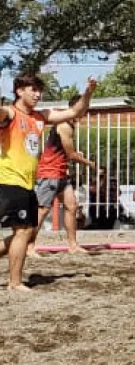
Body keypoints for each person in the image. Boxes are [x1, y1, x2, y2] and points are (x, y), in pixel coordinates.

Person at [0, 73, 96, 290]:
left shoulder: (39, 117)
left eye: (39, 90)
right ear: (19, 91)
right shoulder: (10, 114)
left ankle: (15, 279)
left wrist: (88, 92)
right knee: (23, 232)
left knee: (26, 233)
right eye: (33, 89)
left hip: (27, 184)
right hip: (9, 181)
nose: (38, 94)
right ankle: (14, 283)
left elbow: (75, 111)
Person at [29, 94, 95, 256]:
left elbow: (66, 153)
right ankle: (29, 246)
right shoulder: (64, 125)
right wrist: (89, 163)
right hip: (50, 172)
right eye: (83, 107)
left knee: (71, 206)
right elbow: (71, 154)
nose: (85, 111)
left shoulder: (69, 125)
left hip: (60, 173)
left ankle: (72, 245)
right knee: (42, 210)